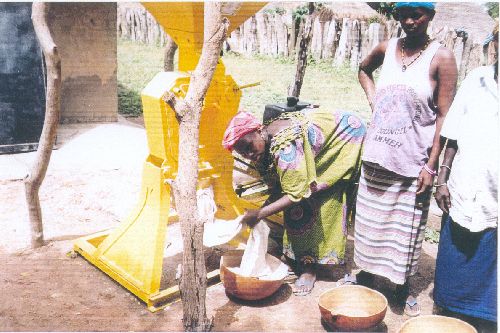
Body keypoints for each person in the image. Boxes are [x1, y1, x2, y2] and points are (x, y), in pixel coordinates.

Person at [337, 2, 458, 316]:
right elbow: (363, 69)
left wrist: (431, 165)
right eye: (403, 14)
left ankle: (401, 289)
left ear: (430, 16)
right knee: (369, 224)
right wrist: (373, 97)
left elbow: (445, 116)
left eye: (416, 13)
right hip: (377, 154)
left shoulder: (440, 57)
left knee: (405, 230)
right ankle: (363, 275)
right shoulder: (387, 48)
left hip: (412, 160)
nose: (409, 20)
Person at [222, 107, 365, 296]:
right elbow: (280, 187)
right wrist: (260, 213)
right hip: (324, 134)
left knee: (317, 199)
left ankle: (310, 267)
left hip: (343, 137)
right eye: (244, 153)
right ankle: (297, 256)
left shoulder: (285, 148)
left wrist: (260, 214)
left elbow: (295, 194)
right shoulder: (264, 142)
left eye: (249, 147)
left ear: (258, 131)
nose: (249, 155)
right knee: (298, 199)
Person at [433, 24, 498, 329]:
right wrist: (443, 178)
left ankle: (485, 319)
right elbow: (454, 135)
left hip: (495, 196)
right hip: (463, 186)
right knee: (455, 259)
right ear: (495, 44)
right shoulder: (477, 80)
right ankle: (449, 312)